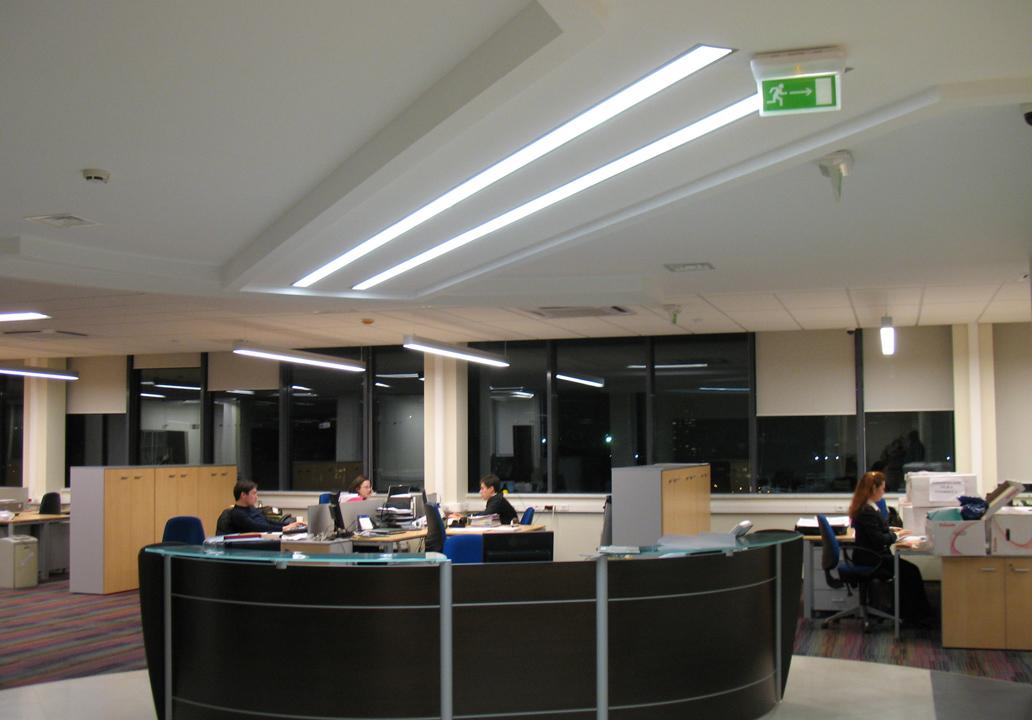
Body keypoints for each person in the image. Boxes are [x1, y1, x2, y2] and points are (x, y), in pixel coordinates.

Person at [848, 471, 933, 625]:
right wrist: (896, 536)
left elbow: (876, 530)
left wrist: (891, 530)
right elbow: (879, 539)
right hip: (873, 558)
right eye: (882, 488)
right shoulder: (867, 511)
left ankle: (910, 613)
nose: (883, 492)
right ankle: (916, 616)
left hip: (873, 555)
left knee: (908, 571)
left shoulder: (868, 507)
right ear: (874, 489)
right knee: (911, 571)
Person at [227, 479, 305, 533]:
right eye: (253, 493)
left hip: (267, 535)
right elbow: (257, 527)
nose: (256, 497)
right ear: (243, 495)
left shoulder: (252, 509)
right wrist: (283, 528)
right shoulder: (238, 514)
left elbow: (268, 522)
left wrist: (291, 525)